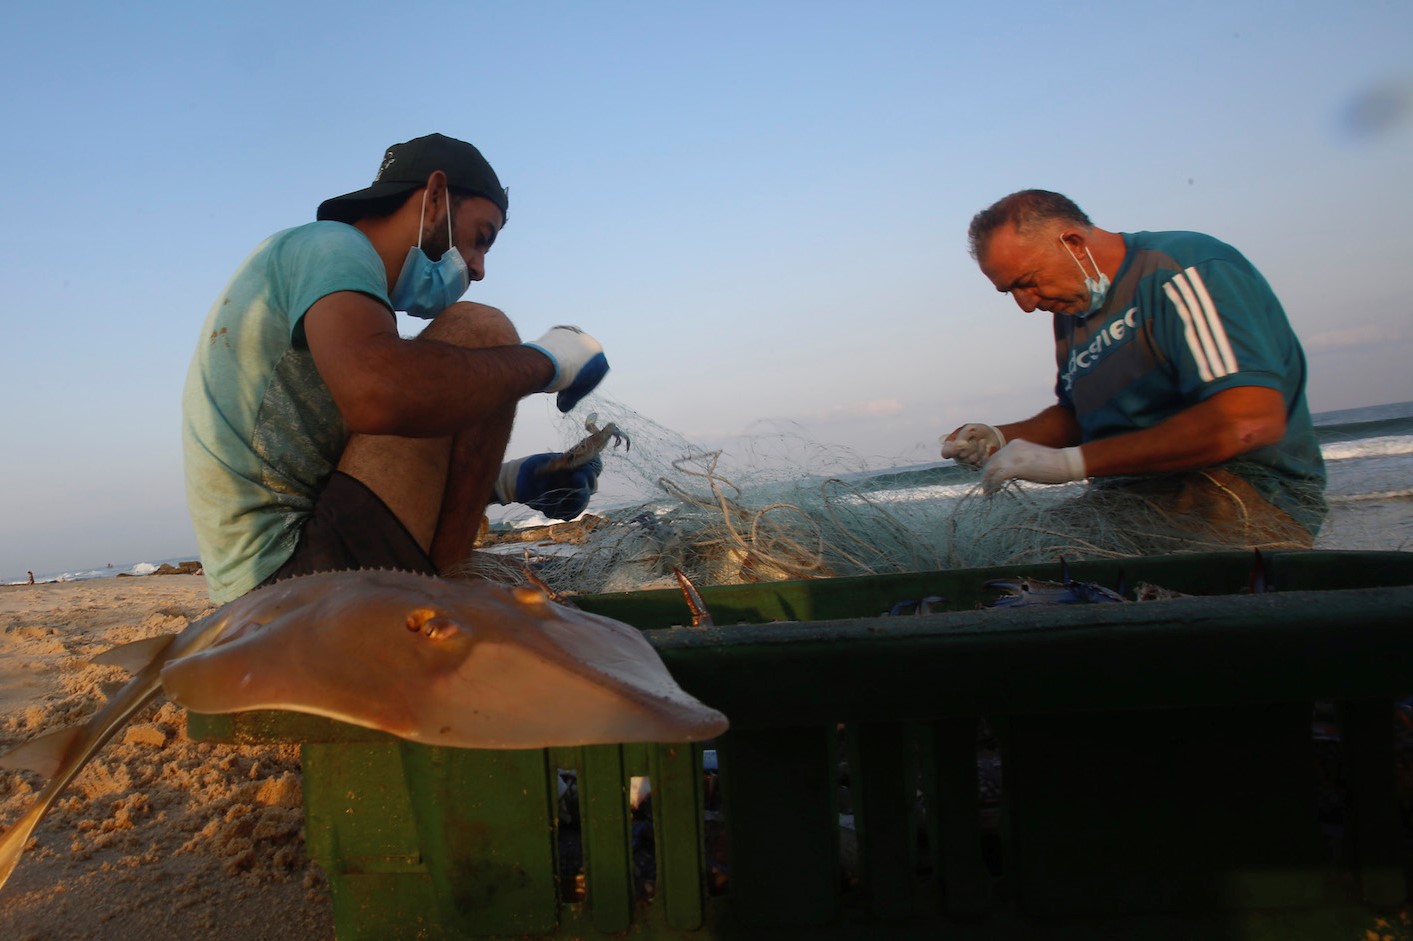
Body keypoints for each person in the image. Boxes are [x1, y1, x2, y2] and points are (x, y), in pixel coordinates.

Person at [183, 133, 610, 605]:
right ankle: (451, 595)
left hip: (274, 579)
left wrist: (509, 482)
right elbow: (380, 396)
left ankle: (450, 582)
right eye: (481, 238)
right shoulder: (334, 246)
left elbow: (358, 454)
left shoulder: (342, 309)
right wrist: (551, 362)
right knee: (479, 329)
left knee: (434, 375)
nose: (479, 267)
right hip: (287, 585)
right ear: (434, 197)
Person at [941, 189, 1326, 549]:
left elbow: (1248, 421)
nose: (1026, 305)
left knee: (1060, 567)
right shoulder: (1071, 314)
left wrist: (1074, 463)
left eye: (1028, 283)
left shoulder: (1183, 270)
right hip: (1129, 499)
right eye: (1010, 292)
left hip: (1242, 492)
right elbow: (1079, 417)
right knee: (1011, 552)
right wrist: (999, 437)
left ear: (1073, 243)